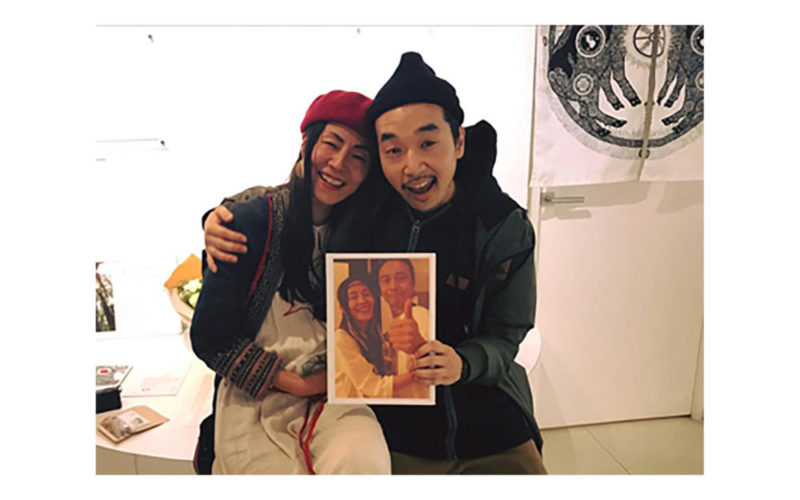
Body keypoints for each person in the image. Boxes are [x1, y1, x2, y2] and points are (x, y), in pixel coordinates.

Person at [205, 52, 546, 474]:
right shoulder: (369, 202)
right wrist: (220, 217)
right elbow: (294, 199)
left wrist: (464, 362)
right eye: (393, 150)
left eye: (428, 143)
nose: (412, 166)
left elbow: (507, 333)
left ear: (458, 141)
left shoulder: (501, 225)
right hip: (394, 423)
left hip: (488, 419)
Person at [190, 90, 390, 475]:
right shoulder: (249, 222)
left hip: (338, 392)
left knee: (364, 463)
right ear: (306, 142)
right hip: (255, 394)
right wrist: (294, 383)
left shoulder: (369, 233)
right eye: (331, 143)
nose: (339, 164)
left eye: (359, 157)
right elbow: (210, 336)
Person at [334, 273, 428, 399]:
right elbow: (374, 387)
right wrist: (420, 373)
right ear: (343, 307)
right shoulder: (340, 339)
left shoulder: (375, 336)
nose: (362, 301)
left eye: (366, 294)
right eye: (353, 297)